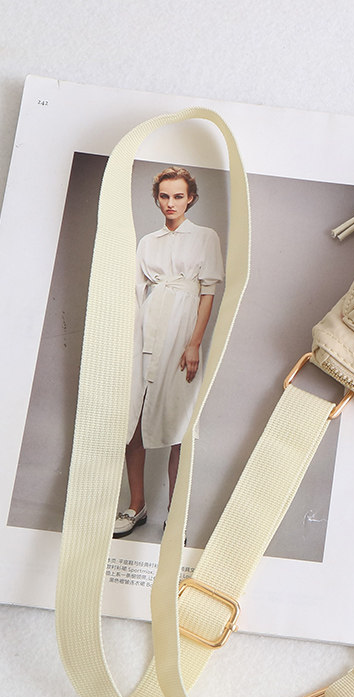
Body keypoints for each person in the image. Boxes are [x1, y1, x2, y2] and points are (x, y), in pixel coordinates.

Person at [114, 167, 224, 537]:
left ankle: (176, 514)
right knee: (133, 422)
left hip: (181, 334)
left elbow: (207, 293)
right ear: (157, 199)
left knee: (179, 425)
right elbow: (134, 292)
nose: (171, 203)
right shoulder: (148, 242)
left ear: (190, 198)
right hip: (145, 332)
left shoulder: (205, 237)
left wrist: (194, 344)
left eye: (178, 196)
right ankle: (136, 506)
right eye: (164, 196)